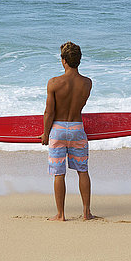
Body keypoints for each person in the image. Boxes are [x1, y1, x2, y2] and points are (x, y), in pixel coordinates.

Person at [40, 41, 95, 221]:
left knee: (58, 173)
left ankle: (61, 214)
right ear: (79, 60)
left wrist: (45, 134)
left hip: (58, 130)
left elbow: (49, 112)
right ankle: (86, 213)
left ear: (63, 60)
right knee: (82, 170)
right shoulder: (87, 83)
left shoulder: (54, 83)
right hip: (77, 128)